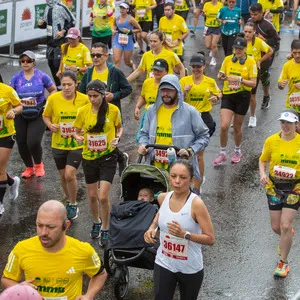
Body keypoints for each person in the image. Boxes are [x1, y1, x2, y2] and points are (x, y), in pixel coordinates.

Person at [1, 200, 107, 298]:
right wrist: (20, 288)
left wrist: (89, 295)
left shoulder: (83, 251)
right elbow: (7, 279)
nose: (43, 233)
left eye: (51, 227)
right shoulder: (22, 249)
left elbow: (100, 274)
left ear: (66, 226)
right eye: (40, 225)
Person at [144, 160, 215, 300]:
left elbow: (211, 239)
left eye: (183, 178)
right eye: (173, 176)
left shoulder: (196, 204)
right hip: (164, 263)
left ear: (191, 180)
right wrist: (152, 228)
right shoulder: (163, 198)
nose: (177, 181)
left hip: (190, 268)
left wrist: (185, 235)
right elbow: (159, 217)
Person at [73, 80, 123, 246]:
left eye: (95, 96)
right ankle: (96, 221)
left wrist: (117, 137)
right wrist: (77, 137)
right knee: (93, 196)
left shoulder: (113, 110)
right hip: (89, 157)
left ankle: (106, 227)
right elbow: (76, 130)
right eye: (90, 96)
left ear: (103, 95)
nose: (92, 99)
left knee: (103, 196)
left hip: (108, 157)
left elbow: (119, 127)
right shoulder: (83, 111)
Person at [138, 74, 210, 182]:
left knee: (176, 198)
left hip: (180, 172)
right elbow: (144, 134)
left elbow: (204, 136)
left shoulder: (190, 111)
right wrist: (143, 145)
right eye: (163, 90)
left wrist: (190, 151)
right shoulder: (152, 110)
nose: (165, 94)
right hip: (155, 169)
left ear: (177, 91)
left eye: (169, 90)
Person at [79, 42, 131, 176]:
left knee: (109, 141)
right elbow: (81, 90)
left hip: (110, 113)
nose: (95, 58)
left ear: (106, 56)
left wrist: (114, 95)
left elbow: (127, 89)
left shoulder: (114, 72)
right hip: (92, 112)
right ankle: (116, 159)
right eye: (93, 55)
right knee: (99, 140)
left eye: (98, 55)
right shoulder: (89, 72)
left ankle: (116, 160)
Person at [43, 71, 89, 220]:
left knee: (70, 174)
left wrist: (84, 128)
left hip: (77, 143)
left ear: (76, 84)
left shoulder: (84, 99)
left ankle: (73, 203)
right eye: (64, 85)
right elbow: (45, 115)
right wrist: (50, 125)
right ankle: (69, 199)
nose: (67, 87)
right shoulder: (53, 98)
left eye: (70, 84)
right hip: (58, 143)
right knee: (63, 176)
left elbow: (92, 115)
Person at [259, 109, 300, 278]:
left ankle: (283, 263)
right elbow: (263, 160)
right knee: (277, 227)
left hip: (295, 187)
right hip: (274, 186)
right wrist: (262, 174)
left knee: (285, 225)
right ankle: (286, 237)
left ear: (296, 124)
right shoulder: (271, 141)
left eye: (289, 123)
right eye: (283, 122)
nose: (285, 126)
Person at [10, 51, 56, 178]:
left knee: (33, 141)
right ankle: (29, 167)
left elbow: (53, 90)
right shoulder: (16, 78)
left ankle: (39, 164)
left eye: (28, 61)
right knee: (21, 141)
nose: (25, 63)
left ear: (34, 62)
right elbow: (10, 94)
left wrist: (47, 104)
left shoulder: (42, 76)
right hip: (20, 113)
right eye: (22, 61)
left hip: (38, 113)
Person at [180, 52, 221, 194]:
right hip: (187, 118)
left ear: (204, 66)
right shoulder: (184, 81)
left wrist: (216, 97)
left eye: (199, 66)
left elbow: (219, 93)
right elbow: (177, 100)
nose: (196, 69)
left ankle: (197, 185)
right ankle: (187, 179)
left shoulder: (209, 81)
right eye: (193, 66)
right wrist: (184, 93)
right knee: (186, 153)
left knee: (198, 155)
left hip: (204, 119)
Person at [214, 36, 257, 165]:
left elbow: (253, 84)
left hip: (243, 97)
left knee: (237, 127)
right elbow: (221, 74)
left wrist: (240, 80)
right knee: (224, 125)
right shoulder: (228, 59)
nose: (238, 51)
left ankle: (237, 150)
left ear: (245, 49)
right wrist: (221, 76)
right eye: (236, 48)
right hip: (228, 95)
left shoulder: (251, 62)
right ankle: (222, 153)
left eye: (240, 49)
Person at [38, 0, 76, 90]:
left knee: (58, 64)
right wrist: (41, 24)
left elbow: (73, 21)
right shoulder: (47, 7)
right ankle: (59, 86)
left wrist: (63, 31)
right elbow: (47, 24)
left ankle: (66, 86)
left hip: (61, 41)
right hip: (50, 41)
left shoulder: (61, 7)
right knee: (50, 63)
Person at [249, 3, 280, 109]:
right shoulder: (249, 22)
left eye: (255, 14)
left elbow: (277, 42)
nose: (253, 16)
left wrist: (265, 40)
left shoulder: (268, 25)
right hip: (251, 54)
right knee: (251, 76)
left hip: (266, 55)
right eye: (251, 14)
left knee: (264, 77)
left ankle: (266, 96)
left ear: (262, 13)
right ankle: (250, 98)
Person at [243, 24, 273, 128]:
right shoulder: (240, 42)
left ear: (254, 32)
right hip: (241, 71)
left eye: (250, 32)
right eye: (245, 31)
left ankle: (252, 116)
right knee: (239, 94)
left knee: (252, 95)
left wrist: (260, 60)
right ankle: (239, 116)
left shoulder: (259, 42)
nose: (247, 34)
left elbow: (270, 51)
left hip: (254, 72)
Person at [0, 83, 22, 217]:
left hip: (5, 134)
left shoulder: (7, 90)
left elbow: (19, 106)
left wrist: (13, 111)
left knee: (0, 169)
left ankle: (0, 203)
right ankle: (12, 181)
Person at [135, 58, 169, 140]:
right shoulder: (147, 82)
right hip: (148, 115)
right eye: (155, 69)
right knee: (144, 138)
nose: (156, 72)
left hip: (164, 116)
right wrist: (137, 107)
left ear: (166, 71)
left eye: (159, 70)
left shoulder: (170, 84)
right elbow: (143, 96)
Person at [278, 39, 300, 134]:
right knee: (292, 131)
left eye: (299, 52)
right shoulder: (287, 65)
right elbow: (280, 85)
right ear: (291, 51)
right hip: (293, 103)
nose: (297, 55)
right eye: (294, 53)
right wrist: (281, 85)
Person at [112, 2, 142, 70]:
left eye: (124, 8)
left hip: (128, 41)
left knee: (127, 61)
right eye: (121, 8)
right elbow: (114, 25)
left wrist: (130, 31)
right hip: (117, 40)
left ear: (127, 10)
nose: (122, 10)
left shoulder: (131, 19)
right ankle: (114, 77)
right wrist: (113, 30)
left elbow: (139, 29)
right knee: (116, 60)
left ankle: (132, 66)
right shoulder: (117, 17)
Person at [203, 0, 224, 66]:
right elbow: (203, 13)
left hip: (217, 27)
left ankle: (213, 59)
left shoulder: (220, 5)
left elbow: (222, 14)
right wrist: (204, 13)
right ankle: (212, 51)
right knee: (208, 46)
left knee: (214, 45)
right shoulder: (206, 4)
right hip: (208, 26)